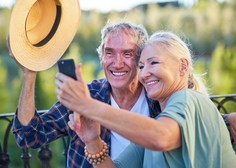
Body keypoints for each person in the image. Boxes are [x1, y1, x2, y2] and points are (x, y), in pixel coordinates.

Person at [57, 31, 236, 167]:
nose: (144, 73)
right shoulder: (155, 125)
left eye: (154, 63)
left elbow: (161, 137)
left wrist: (89, 106)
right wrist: (92, 140)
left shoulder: (188, 98)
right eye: (141, 66)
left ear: (182, 66)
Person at [10, 21, 160, 168]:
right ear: (101, 57)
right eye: (109, 53)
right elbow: (28, 136)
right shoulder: (86, 97)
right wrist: (29, 73)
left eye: (127, 53)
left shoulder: (157, 98)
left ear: (141, 59)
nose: (117, 63)